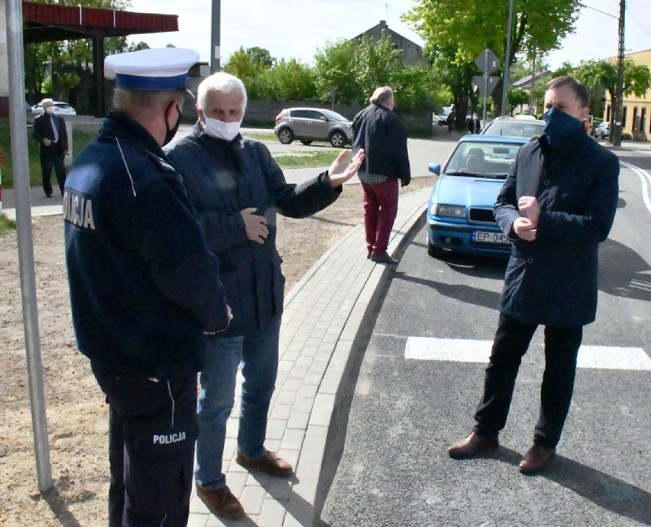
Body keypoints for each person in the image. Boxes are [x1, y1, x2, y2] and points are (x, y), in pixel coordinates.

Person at [165, 72, 364, 520]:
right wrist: (234, 226)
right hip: (220, 306)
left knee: (262, 385)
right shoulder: (178, 158)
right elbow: (174, 234)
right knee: (216, 401)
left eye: (235, 112)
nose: (227, 119)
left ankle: (251, 450)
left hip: (265, 298)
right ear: (199, 111)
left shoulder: (255, 151)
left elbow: (288, 201)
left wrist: (327, 183)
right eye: (218, 112)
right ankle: (208, 481)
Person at [64, 48, 232, 526]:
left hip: (113, 356)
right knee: (160, 496)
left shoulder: (90, 161)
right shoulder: (148, 179)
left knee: (131, 478)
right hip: (157, 366)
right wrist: (218, 314)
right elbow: (190, 271)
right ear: (171, 111)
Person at [447, 76, 620, 475]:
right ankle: (485, 431)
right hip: (524, 274)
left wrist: (546, 220)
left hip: (569, 282)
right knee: (502, 359)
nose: (550, 113)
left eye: (560, 107)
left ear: (582, 114)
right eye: (547, 105)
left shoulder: (601, 162)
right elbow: (503, 202)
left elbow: (598, 226)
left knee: (558, 369)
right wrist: (512, 225)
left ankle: (544, 445)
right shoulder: (528, 151)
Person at [351, 86, 411, 265]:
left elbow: (353, 140)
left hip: (363, 172)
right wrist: (405, 174)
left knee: (370, 209)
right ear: (387, 101)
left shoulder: (360, 115)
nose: (393, 104)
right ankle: (379, 250)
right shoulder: (390, 119)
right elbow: (399, 150)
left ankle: (370, 247)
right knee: (388, 210)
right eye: (392, 100)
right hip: (384, 174)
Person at [32, 98, 68, 197]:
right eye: (49, 106)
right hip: (47, 149)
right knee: (47, 171)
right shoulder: (39, 119)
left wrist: (65, 148)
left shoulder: (59, 119)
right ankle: (48, 191)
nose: (51, 107)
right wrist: (43, 139)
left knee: (61, 171)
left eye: (52, 105)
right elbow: (35, 133)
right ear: (44, 107)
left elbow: (64, 135)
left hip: (58, 148)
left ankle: (64, 191)